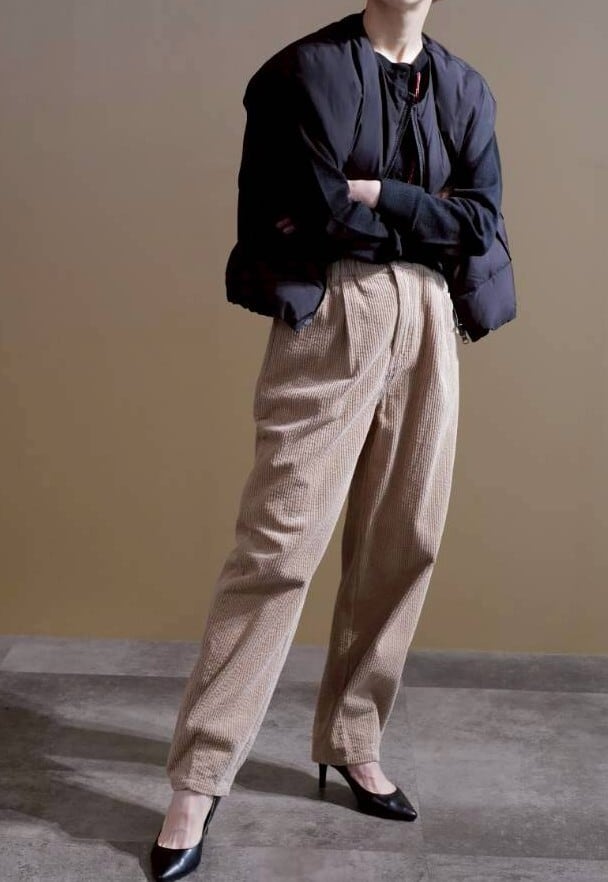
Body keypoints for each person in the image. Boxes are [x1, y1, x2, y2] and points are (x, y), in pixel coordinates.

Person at [150, 1, 503, 878]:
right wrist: (425, 211)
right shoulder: (300, 74)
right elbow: (307, 211)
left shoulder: (465, 88)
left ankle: (352, 739)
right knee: (278, 546)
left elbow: (481, 223)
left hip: (431, 317)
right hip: (334, 312)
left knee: (405, 541)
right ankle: (198, 780)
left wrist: (382, 194)